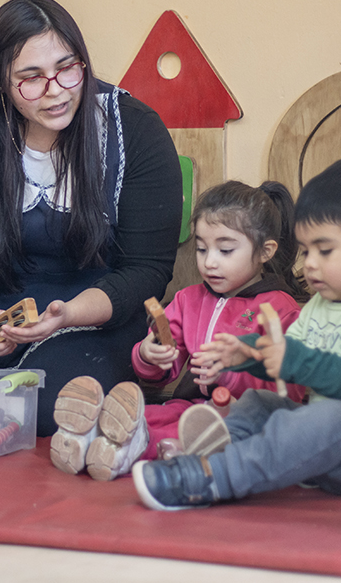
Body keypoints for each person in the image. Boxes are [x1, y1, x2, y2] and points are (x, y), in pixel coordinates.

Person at [0, 0, 183, 437]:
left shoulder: (133, 129)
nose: (56, 91)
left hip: (88, 316)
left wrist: (66, 314)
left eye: (67, 69)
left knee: (54, 410)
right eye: (31, 79)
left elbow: (147, 269)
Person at [132, 157, 341, 509]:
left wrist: (290, 358)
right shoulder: (321, 305)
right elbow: (286, 359)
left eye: (325, 251)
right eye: (308, 250)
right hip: (338, 440)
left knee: (331, 419)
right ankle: (208, 452)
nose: (309, 263)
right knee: (257, 404)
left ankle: (210, 478)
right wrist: (246, 354)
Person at [51, 180, 308, 481]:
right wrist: (150, 356)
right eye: (201, 248)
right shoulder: (188, 300)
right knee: (152, 414)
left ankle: (122, 451)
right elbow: (163, 371)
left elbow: (290, 390)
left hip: (245, 418)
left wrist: (229, 374)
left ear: (265, 251)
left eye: (225, 250)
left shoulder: (281, 310)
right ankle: (87, 436)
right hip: (189, 405)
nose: (209, 262)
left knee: (186, 429)